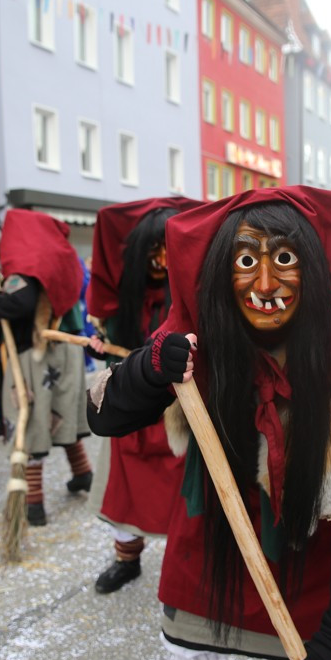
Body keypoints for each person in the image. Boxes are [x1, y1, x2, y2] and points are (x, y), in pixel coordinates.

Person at [87, 187, 331, 660]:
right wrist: (150, 366)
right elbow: (105, 415)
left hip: (324, 556)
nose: (266, 284)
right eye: (247, 260)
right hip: (216, 540)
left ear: (313, 271)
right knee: (195, 625)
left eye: (285, 258)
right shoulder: (200, 349)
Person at [85, 197, 200, 593]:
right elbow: (111, 341)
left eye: (168, 249)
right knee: (126, 494)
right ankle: (126, 559)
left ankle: (186, 570)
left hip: (182, 416)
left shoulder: (195, 298)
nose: (162, 259)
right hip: (133, 413)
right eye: (153, 250)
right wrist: (100, 345)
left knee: (184, 502)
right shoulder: (125, 300)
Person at [0, 209, 93, 527]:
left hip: (35, 357)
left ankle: (33, 505)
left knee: (31, 422)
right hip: (66, 353)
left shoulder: (26, 267)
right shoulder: (62, 259)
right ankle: (82, 474)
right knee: (61, 417)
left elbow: (17, 303)